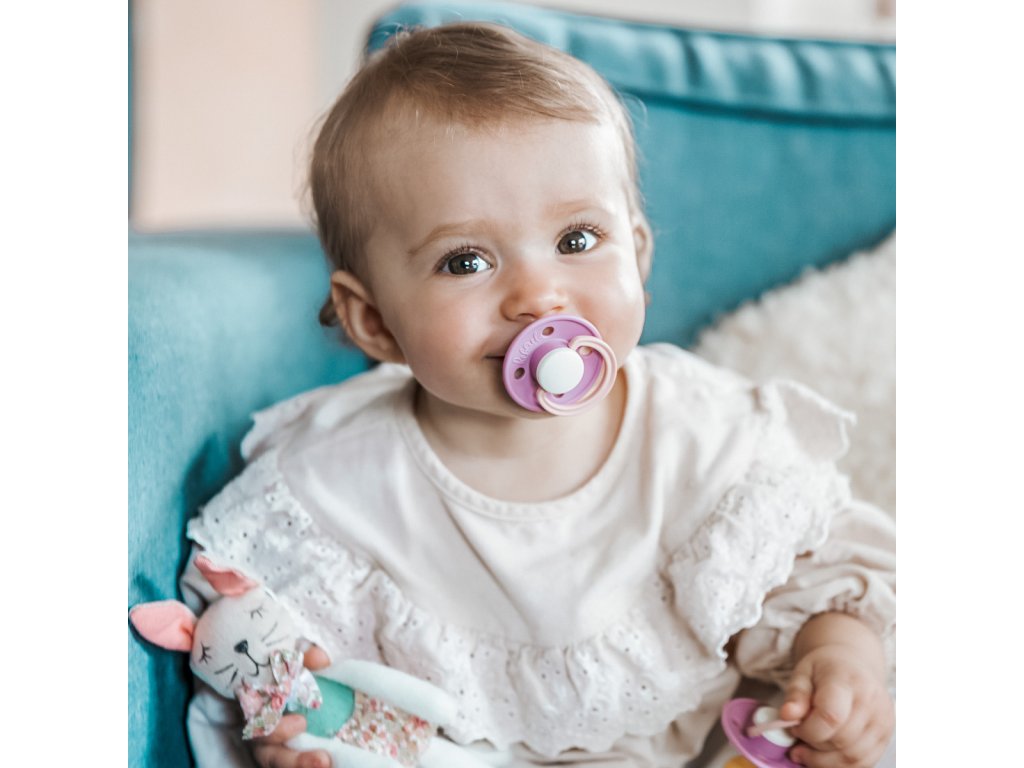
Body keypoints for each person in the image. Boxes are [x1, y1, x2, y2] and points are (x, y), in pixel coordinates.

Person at [182, 22, 896, 768]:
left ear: (637, 254)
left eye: (577, 241)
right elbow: (261, 657)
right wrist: (289, 733)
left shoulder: (699, 429)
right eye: (467, 261)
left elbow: (820, 577)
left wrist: (839, 661)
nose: (537, 294)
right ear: (375, 322)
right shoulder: (332, 482)